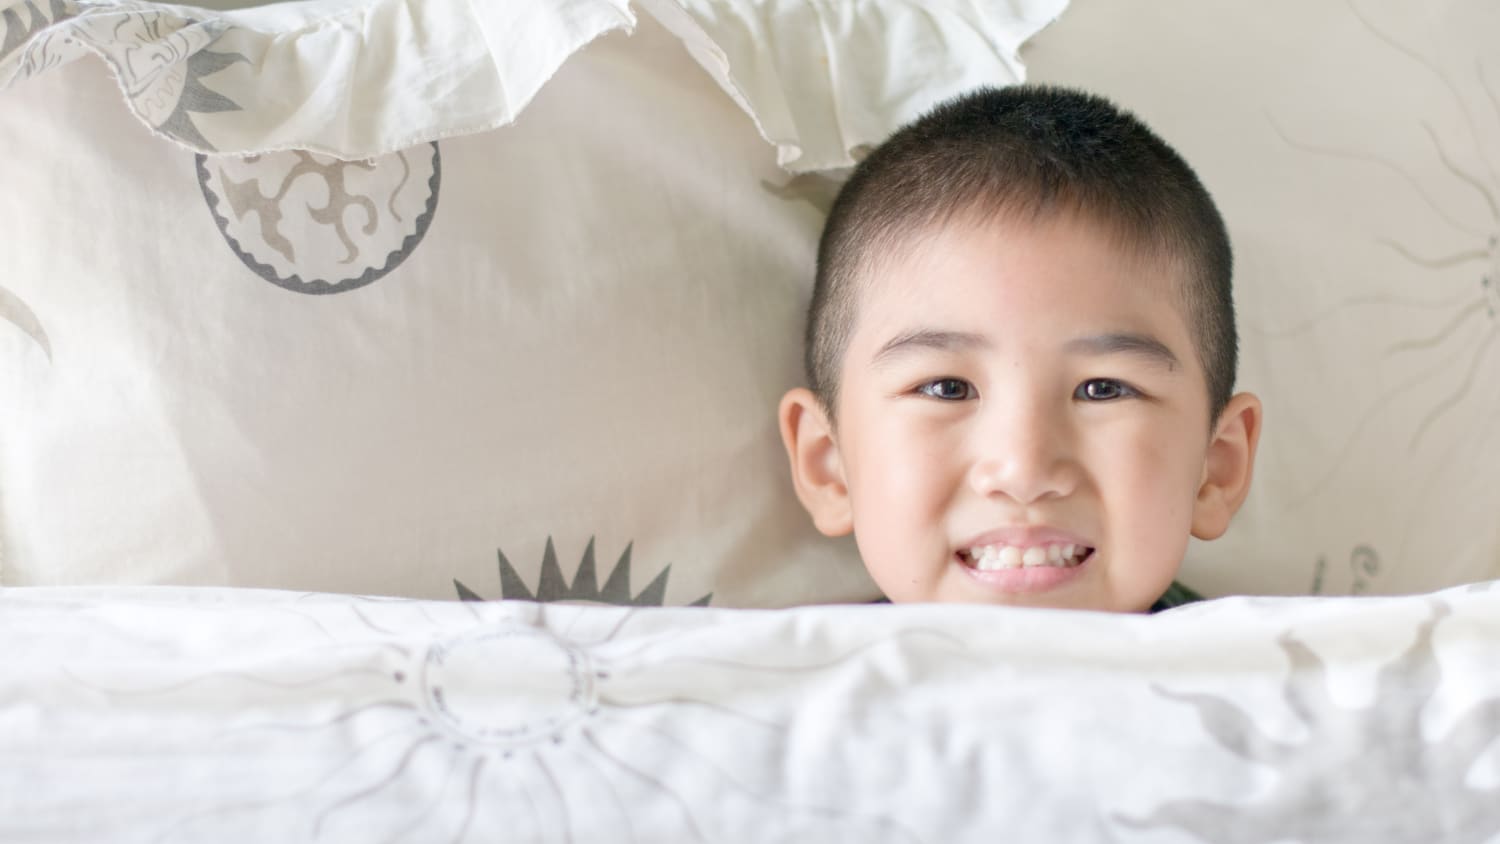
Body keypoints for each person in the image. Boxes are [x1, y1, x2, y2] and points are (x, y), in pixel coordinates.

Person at [777, 85, 1262, 613]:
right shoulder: (778, 688)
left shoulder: (1282, 682)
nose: (1024, 471)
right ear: (828, 466)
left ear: (1215, 468)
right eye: (947, 389)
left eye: (1102, 390)